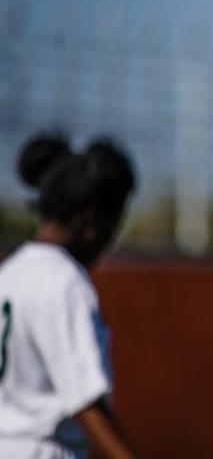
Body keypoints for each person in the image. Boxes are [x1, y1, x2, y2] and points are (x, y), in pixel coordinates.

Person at [0, 133, 138, 459]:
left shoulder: (10, 274)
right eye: (113, 223)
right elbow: (86, 401)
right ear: (89, 217)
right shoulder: (64, 282)